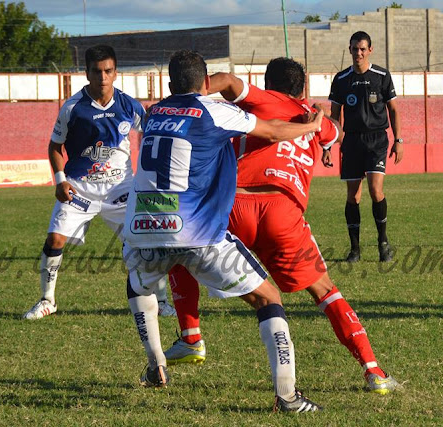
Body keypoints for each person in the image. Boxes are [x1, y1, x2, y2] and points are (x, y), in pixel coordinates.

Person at [164, 57, 399, 395]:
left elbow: (227, 80)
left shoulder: (264, 99)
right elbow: (335, 131)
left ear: (268, 84)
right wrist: (318, 117)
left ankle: (191, 337)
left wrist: (190, 93)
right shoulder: (317, 122)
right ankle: (373, 371)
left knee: (180, 250)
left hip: (236, 206)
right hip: (284, 213)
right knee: (325, 292)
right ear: (302, 89)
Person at [123, 50, 324, 412]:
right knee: (269, 298)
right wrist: (311, 127)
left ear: (169, 83)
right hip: (195, 233)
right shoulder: (213, 110)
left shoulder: (154, 113)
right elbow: (273, 131)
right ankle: (288, 396)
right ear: (205, 83)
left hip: (143, 227)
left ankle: (156, 365)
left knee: (138, 284)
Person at [23, 45, 175, 320]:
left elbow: (152, 131)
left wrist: (158, 116)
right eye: (96, 71)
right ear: (87, 73)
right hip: (79, 189)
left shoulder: (129, 105)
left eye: (108, 71)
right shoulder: (73, 108)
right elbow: (55, 146)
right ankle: (47, 300)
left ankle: (161, 301)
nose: (102, 77)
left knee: (147, 240)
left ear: (115, 73)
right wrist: (60, 181)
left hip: (121, 189)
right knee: (55, 239)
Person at [324, 31, 404, 263]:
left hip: (377, 139)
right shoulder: (341, 79)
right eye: (354, 49)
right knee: (353, 196)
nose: (358, 53)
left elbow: (394, 110)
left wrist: (398, 140)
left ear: (370, 50)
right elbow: (335, 116)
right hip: (351, 141)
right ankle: (355, 249)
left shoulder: (382, 75)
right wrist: (328, 146)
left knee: (375, 191)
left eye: (362, 49)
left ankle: (383, 243)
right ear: (349, 50)